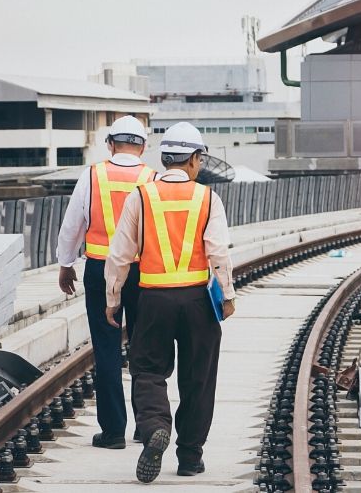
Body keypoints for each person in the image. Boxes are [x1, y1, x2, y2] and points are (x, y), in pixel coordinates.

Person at [103, 122, 236, 483]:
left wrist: (113, 298)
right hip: (197, 301)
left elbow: (119, 255)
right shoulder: (208, 198)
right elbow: (219, 252)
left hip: (152, 300)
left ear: (164, 159)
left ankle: (154, 427)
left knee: (147, 371)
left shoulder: (140, 196)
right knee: (199, 377)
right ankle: (190, 456)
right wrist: (227, 295)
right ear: (194, 159)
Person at [54, 115, 153, 450]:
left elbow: (72, 226)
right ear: (143, 146)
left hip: (100, 269)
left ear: (110, 144)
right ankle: (146, 425)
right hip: (142, 273)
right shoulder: (152, 179)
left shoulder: (92, 175)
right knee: (143, 348)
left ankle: (113, 433)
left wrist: (66, 264)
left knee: (107, 349)